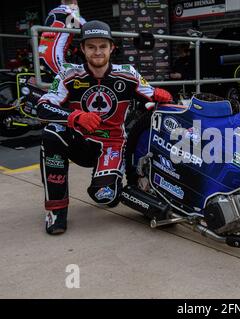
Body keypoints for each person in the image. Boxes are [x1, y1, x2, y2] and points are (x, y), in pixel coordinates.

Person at [37, 20, 173, 235]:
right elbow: (43, 106)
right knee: (52, 133)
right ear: (82, 49)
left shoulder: (128, 73)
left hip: (111, 144)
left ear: (112, 48)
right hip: (78, 140)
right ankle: (56, 210)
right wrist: (76, 117)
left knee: (105, 196)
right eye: (91, 46)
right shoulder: (68, 74)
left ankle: (107, 179)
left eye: (102, 46)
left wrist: (161, 98)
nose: (97, 51)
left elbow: (152, 97)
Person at [38, 0, 86, 76]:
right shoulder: (69, 10)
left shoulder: (53, 12)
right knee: (76, 79)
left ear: (62, 2)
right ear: (74, 2)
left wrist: (75, 50)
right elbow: (88, 28)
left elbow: (62, 35)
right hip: (54, 58)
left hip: (42, 53)